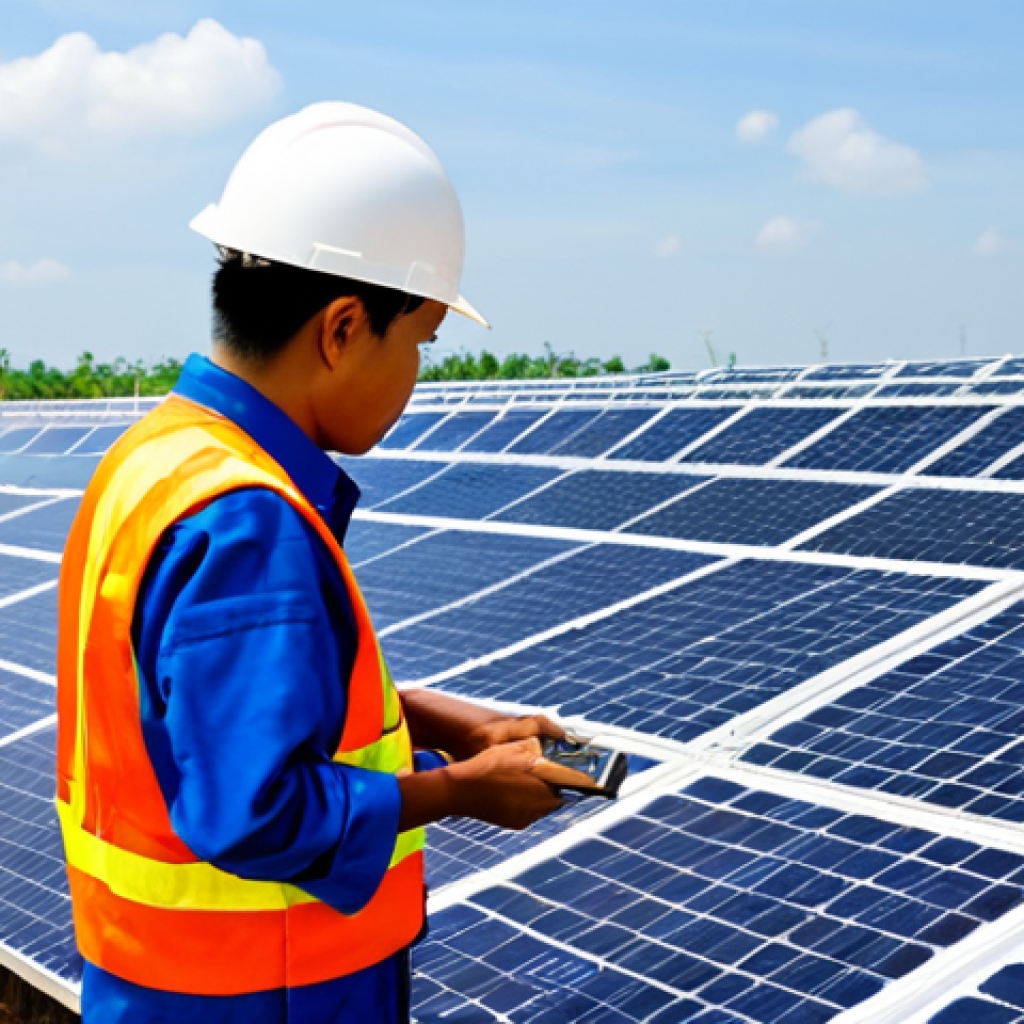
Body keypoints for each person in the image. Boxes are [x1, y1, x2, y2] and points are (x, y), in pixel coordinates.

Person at [56, 102, 564, 1024]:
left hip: (157, 986)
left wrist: (445, 720)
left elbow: (204, 704)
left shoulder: (157, 458)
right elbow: (256, 810)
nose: (417, 376)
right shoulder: (249, 525)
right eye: (420, 343)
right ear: (342, 329)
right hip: (264, 993)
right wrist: (456, 791)